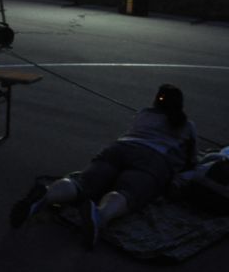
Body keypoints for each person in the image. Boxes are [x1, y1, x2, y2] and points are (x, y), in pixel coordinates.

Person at [10, 84, 197, 249]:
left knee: (84, 181)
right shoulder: (187, 126)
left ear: (156, 100)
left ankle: (46, 196)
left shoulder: (144, 114)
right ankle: (100, 215)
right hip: (153, 158)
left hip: (120, 148)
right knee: (127, 191)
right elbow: (192, 160)